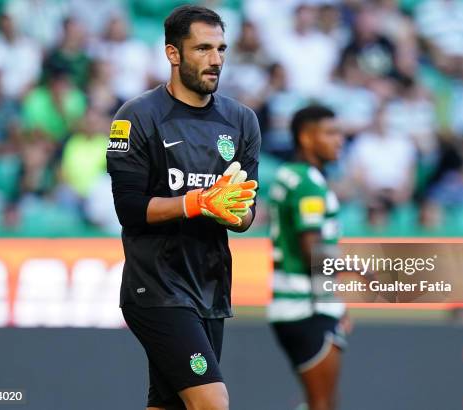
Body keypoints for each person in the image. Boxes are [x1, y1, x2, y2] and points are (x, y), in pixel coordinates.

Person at [106, 5, 260, 410]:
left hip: (210, 285)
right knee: (212, 401)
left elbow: (247, 215)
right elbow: (130, 208)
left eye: (222, 49)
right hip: (156, 287)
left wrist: (232, 211)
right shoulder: (137, 116)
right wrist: (198, 202)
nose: (216, 60)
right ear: (173, 54)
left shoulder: (242, 121)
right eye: (203, 48)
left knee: (169, 404)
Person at [267, 106, 350, 410]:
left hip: (290, 304)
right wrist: (334, 298)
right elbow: (313, 250)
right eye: (329, 133)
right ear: (305, 137)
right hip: (308, 306)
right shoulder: (308, 184)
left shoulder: (289, 174)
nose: (339, 141)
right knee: (323, 404)